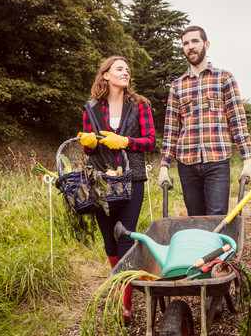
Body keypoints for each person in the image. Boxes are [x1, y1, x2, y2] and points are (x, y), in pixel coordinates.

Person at [77, 55, 155, 322]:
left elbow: (150, 142)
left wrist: (125, 141)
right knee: (109, 240)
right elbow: (89, 148)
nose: (126, 73)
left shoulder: (140, 105)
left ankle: (125, 303)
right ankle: (121, 285)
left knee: (125, 237)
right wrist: (87, 142)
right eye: (119, 69)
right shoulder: (91, 108)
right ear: (106, 75)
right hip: (101, 181)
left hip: (132, 179)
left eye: (128, 70)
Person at [158, 26, 251, 216]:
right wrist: (164, 166)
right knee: (195, 220)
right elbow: (171, 130)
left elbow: (238, 121)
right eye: (186, 43)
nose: (190, 47)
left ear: (206, 44)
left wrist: (248, 160)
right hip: (187, 164)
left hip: (217, 161)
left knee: (216, 220)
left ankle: (219, 247)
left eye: (195, 41)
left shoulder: (224, 78)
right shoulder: (177, 86)